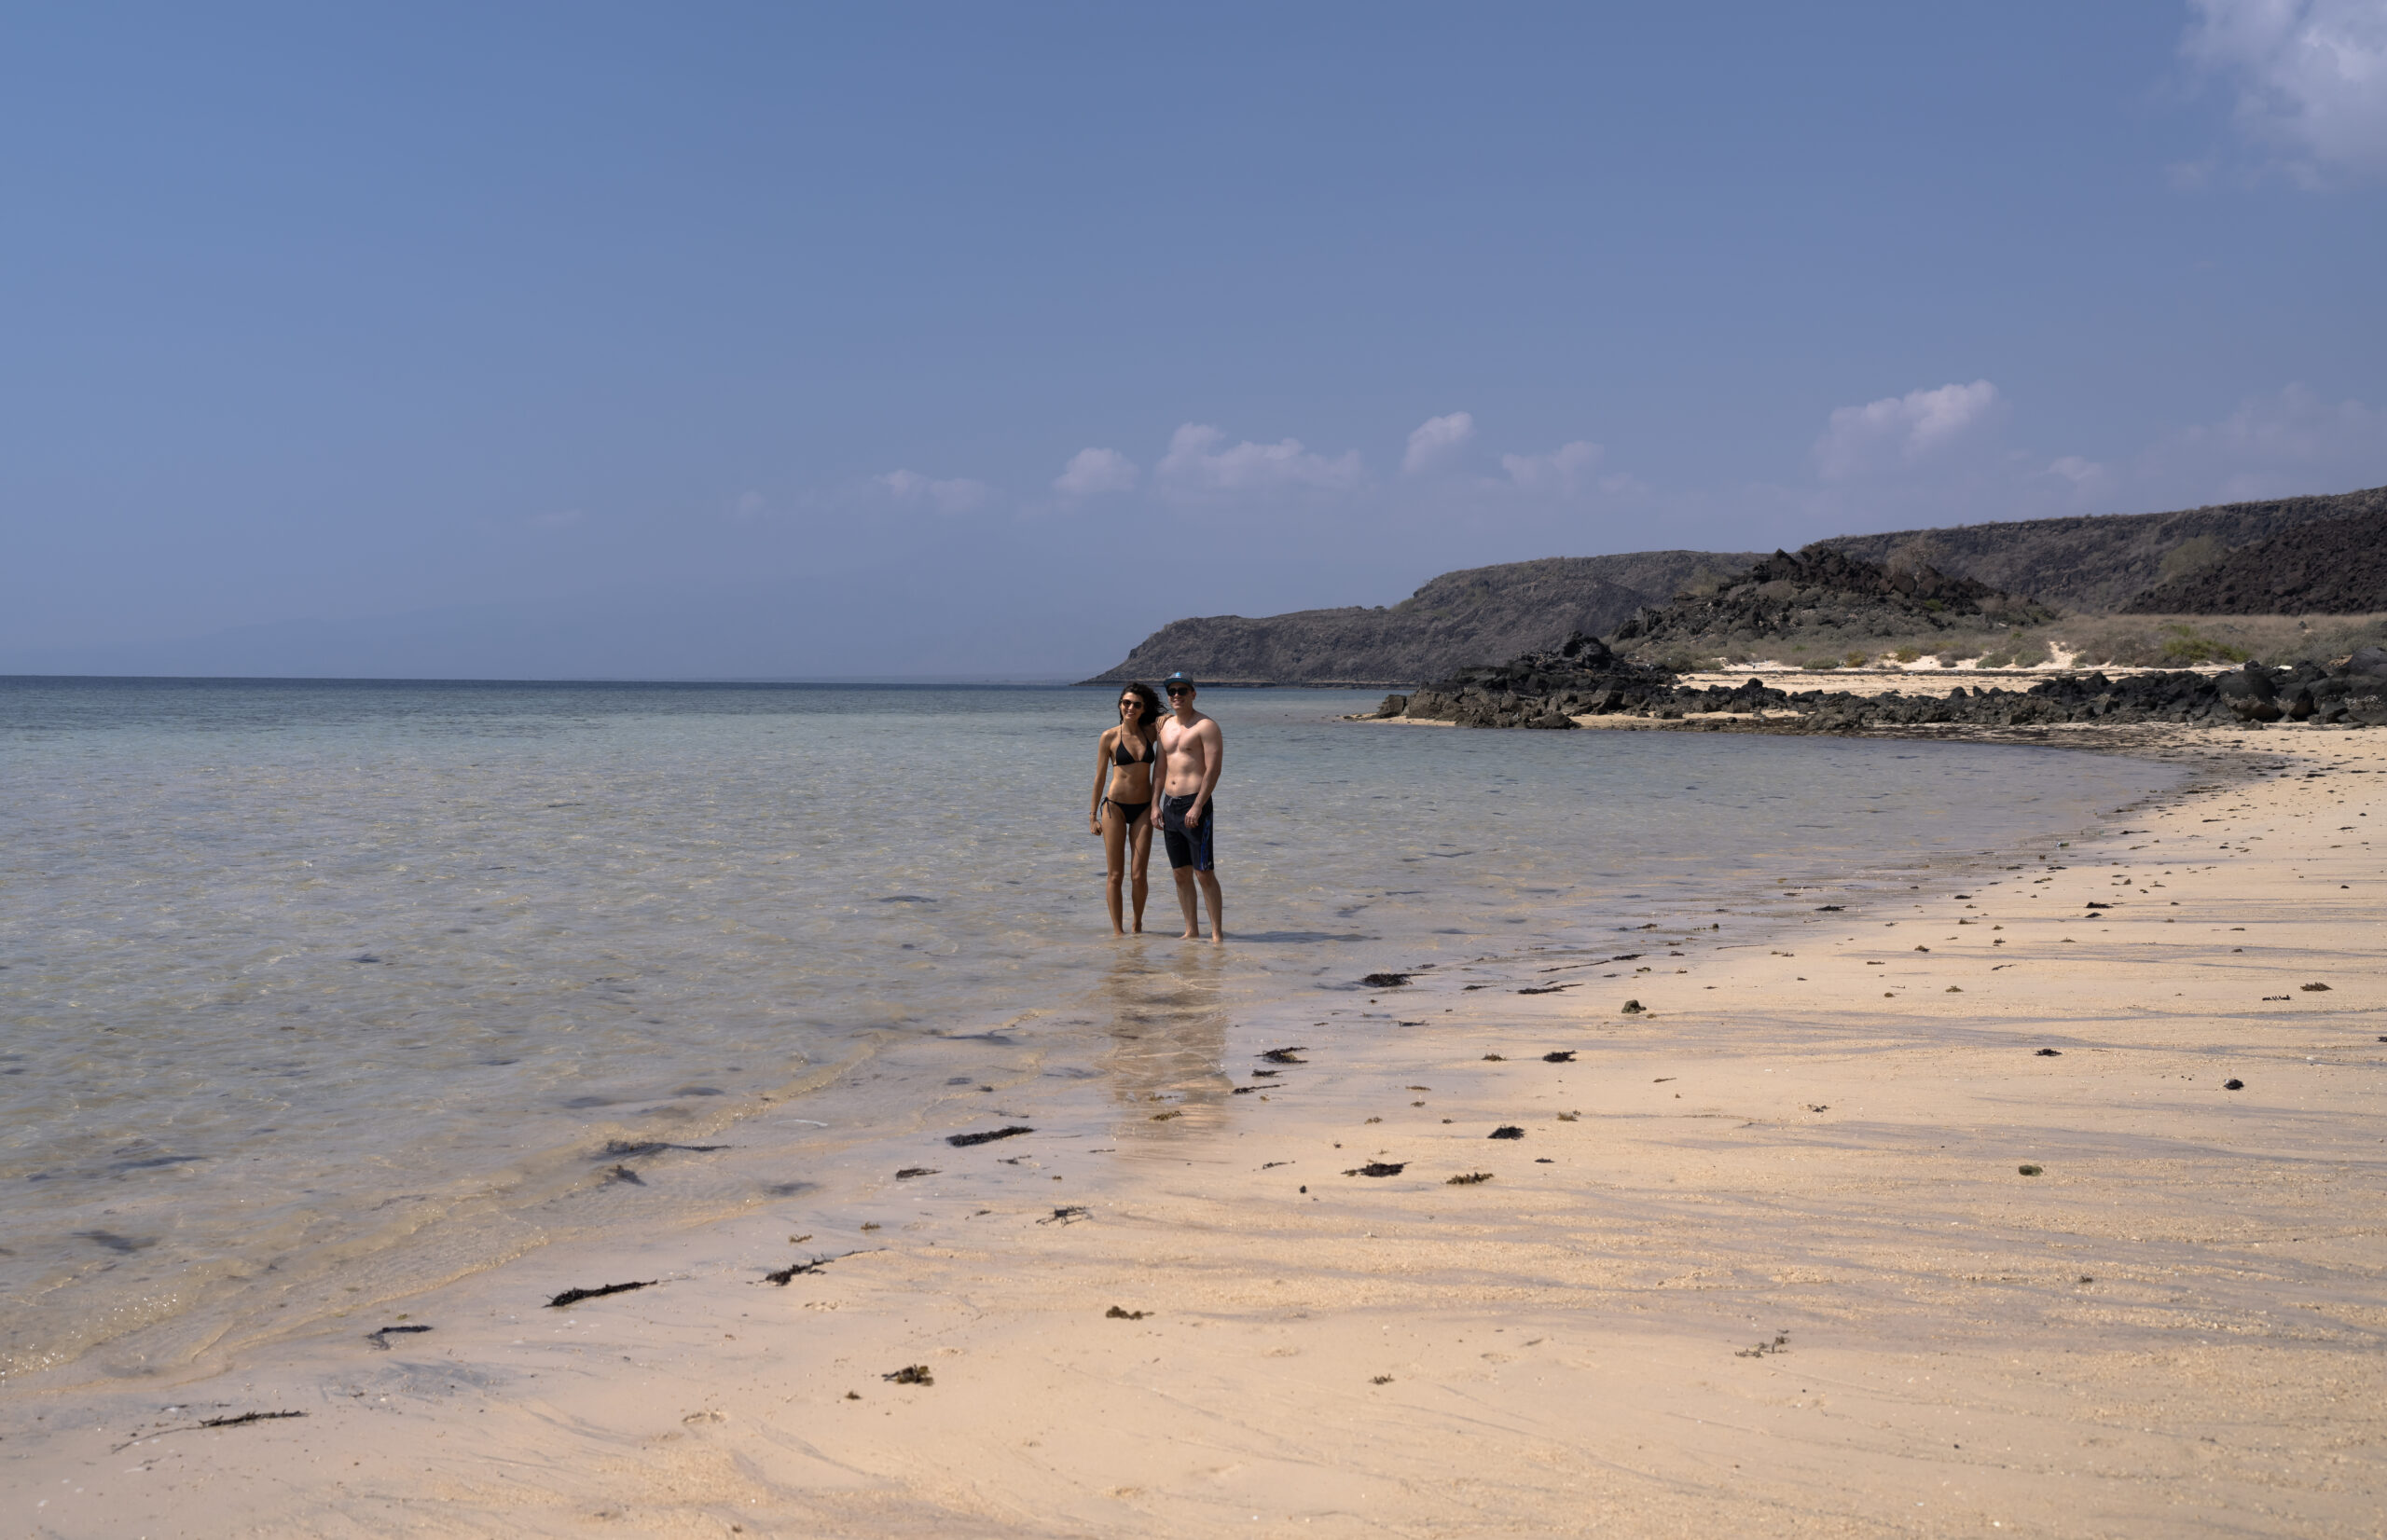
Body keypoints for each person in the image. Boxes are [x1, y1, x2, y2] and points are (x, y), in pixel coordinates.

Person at [1154, 672, 1224, 943]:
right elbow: (1160, 769)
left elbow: (1213, 770)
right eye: (1172, 691)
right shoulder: (1164, 727)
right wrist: (1154, 805)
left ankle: (1216, 934)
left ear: (1193, 694)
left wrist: (1197, 806)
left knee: (1203, 872)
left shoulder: (1206, 726)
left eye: (1182, 691)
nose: (1176, 695)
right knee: (1179, 873)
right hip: (1170, 805)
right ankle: (1191, 930)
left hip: (1195, 804)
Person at [1089, 681, 1162, 935]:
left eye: (1136, 704)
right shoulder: (1109, 737)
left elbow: (1174, 724)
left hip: (1144, 808)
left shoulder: (1151, 733)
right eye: (1126, 703)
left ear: (1144, 709)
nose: (1130, 708)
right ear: (1120, 705)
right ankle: (1118, 933)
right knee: (1115, 875)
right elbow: (1099, 778)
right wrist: (1092, 817)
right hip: (1114, 808)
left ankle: (1137, 925)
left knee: (1139, 875)